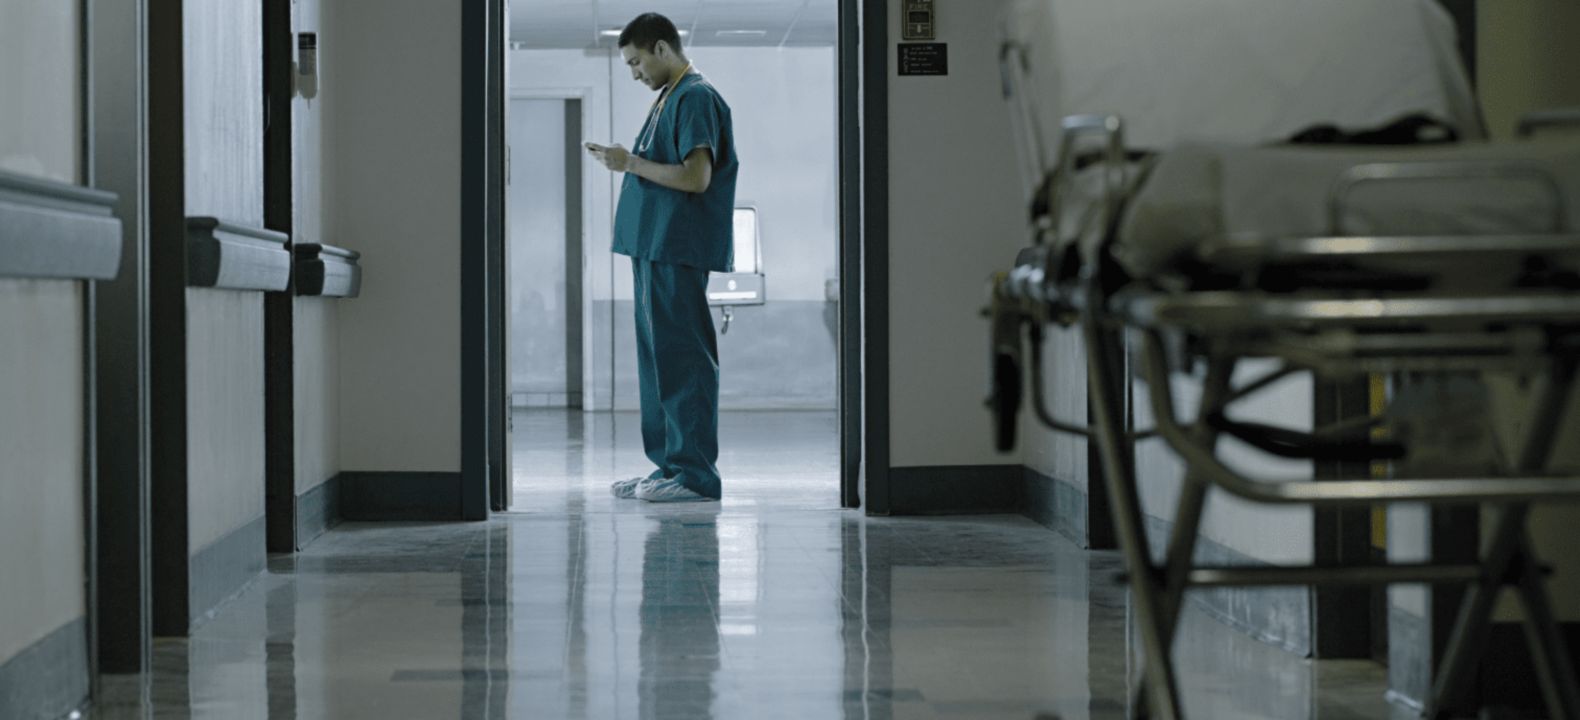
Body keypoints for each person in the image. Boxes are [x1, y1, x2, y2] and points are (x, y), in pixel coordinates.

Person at [589, 12, 738, 503]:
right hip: (653, 248)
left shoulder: (695, 97)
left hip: (676, 247)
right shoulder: (668, 99)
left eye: (636, 62)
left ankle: (696, 476)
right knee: (658, 364)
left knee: (684, 361)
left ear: (661, 49)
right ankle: (671, 466)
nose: (634, 73)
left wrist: (628, 162)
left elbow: (697, 178)